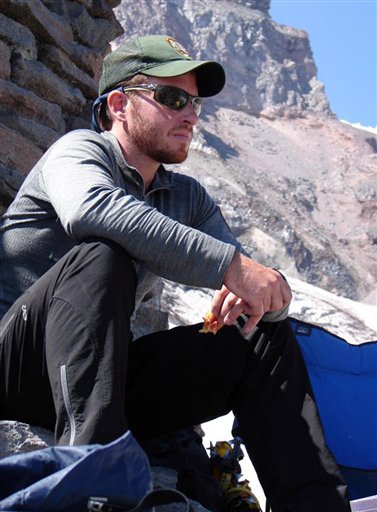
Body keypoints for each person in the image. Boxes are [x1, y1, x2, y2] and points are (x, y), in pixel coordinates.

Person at [0, 35, 350, 511]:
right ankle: (91, 477)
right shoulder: (78, 151)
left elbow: (253, 281)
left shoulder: (186, 197)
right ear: (120, 104)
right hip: (15, 367)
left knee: (259, 336)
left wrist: (271, 293)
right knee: (102, 253)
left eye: (195, 103)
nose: (189, 115)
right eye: (171, 98)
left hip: (100, 378)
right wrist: (229, 267)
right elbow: (93, 211)